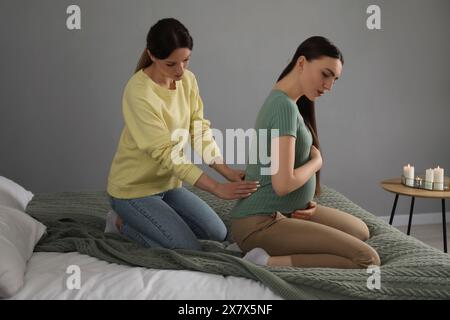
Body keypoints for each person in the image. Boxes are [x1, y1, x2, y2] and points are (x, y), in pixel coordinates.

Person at [105, 18, 259, 250]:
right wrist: (216, 188)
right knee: (187, 249)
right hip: (133, 190)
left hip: (168, 186)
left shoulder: (188, 80)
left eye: (186, 60)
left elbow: (198, 129)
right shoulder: (138, 92)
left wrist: (226, 171)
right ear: (152, 55)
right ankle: (119, 223)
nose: (180, 70)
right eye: (171, 64)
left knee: (218, 233)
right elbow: (167, 153)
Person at [230, 36, 381, 268]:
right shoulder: (283, 107)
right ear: (301, 63)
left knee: (360, 231)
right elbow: (283, 184)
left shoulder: (290, 103)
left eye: (335, 79)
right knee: (368, 260)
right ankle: (266, 261)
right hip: (260, 223)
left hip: (288, 212)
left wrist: (298, 205)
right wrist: (316, 162)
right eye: (326, 74)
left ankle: (288, 230)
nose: (329, 86)